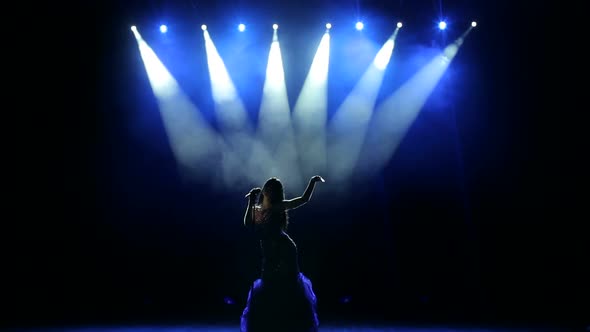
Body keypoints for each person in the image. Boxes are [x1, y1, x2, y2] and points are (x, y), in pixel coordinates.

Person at [241, 175, 325, 332]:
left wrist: (312, 182)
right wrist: (251, 201)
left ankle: (290, 324)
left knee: (286, 283)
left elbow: (303, 199)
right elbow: (248, 223)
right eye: (269, 190)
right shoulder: (260, 210)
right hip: (270, 250)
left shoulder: (277, 206)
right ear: (266, 191)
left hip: (284, 248)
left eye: (274, 191)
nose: (271, 194)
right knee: (269, 284)